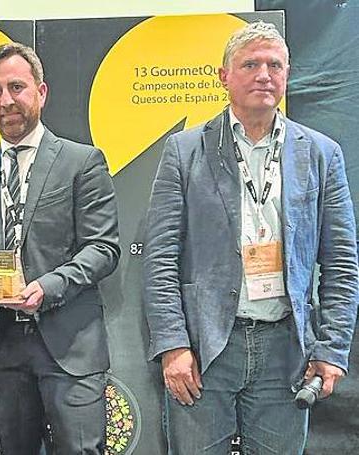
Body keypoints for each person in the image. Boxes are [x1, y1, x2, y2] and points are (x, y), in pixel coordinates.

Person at [142, 20, 359, 454]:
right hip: (205, 351)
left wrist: (332, 348)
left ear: (286, 75)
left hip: (286, 350)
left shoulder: (321, 153)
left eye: (274, 65)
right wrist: (173, 346)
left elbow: (341, 261)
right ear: (224, 76)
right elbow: (160, 256)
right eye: (250, 64)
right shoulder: (185, 152)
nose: (264, 74)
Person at [0, 42, 120, 454]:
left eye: (16, 87)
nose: (6, 101)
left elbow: (102, 248)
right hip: (0, 347)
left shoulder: (82, 161)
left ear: (41, 92)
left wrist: (47, 287)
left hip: (68, 344)